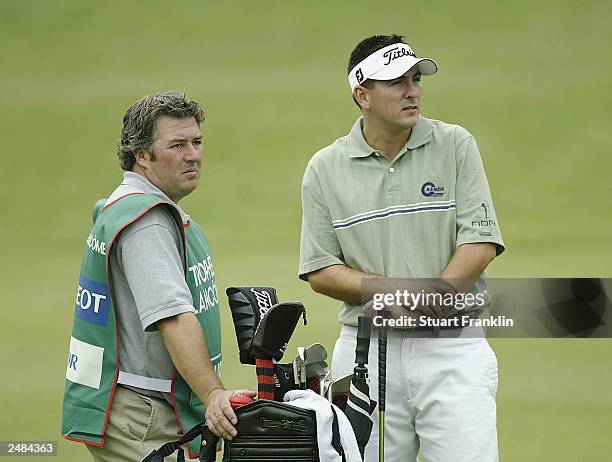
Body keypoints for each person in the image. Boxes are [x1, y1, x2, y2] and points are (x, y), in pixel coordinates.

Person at [299, 35, 505, 461]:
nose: (412, 91)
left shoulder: (455, 145)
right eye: (396, 82)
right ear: (363, 95)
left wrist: (431, 300)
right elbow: (320, 269)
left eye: (415, 79)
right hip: (366, 352)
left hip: (452, 348)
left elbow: (480, 241)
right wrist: (396, 293)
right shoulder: (325, 168)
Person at [62, 91, 255, 461]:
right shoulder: (145, 223)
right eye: (177, 145)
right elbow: (174, 318)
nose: (193, 155)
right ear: (141, 155)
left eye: (196, 142)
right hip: (142, 417)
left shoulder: (130, 208)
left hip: (138, 408)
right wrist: (213, 394)